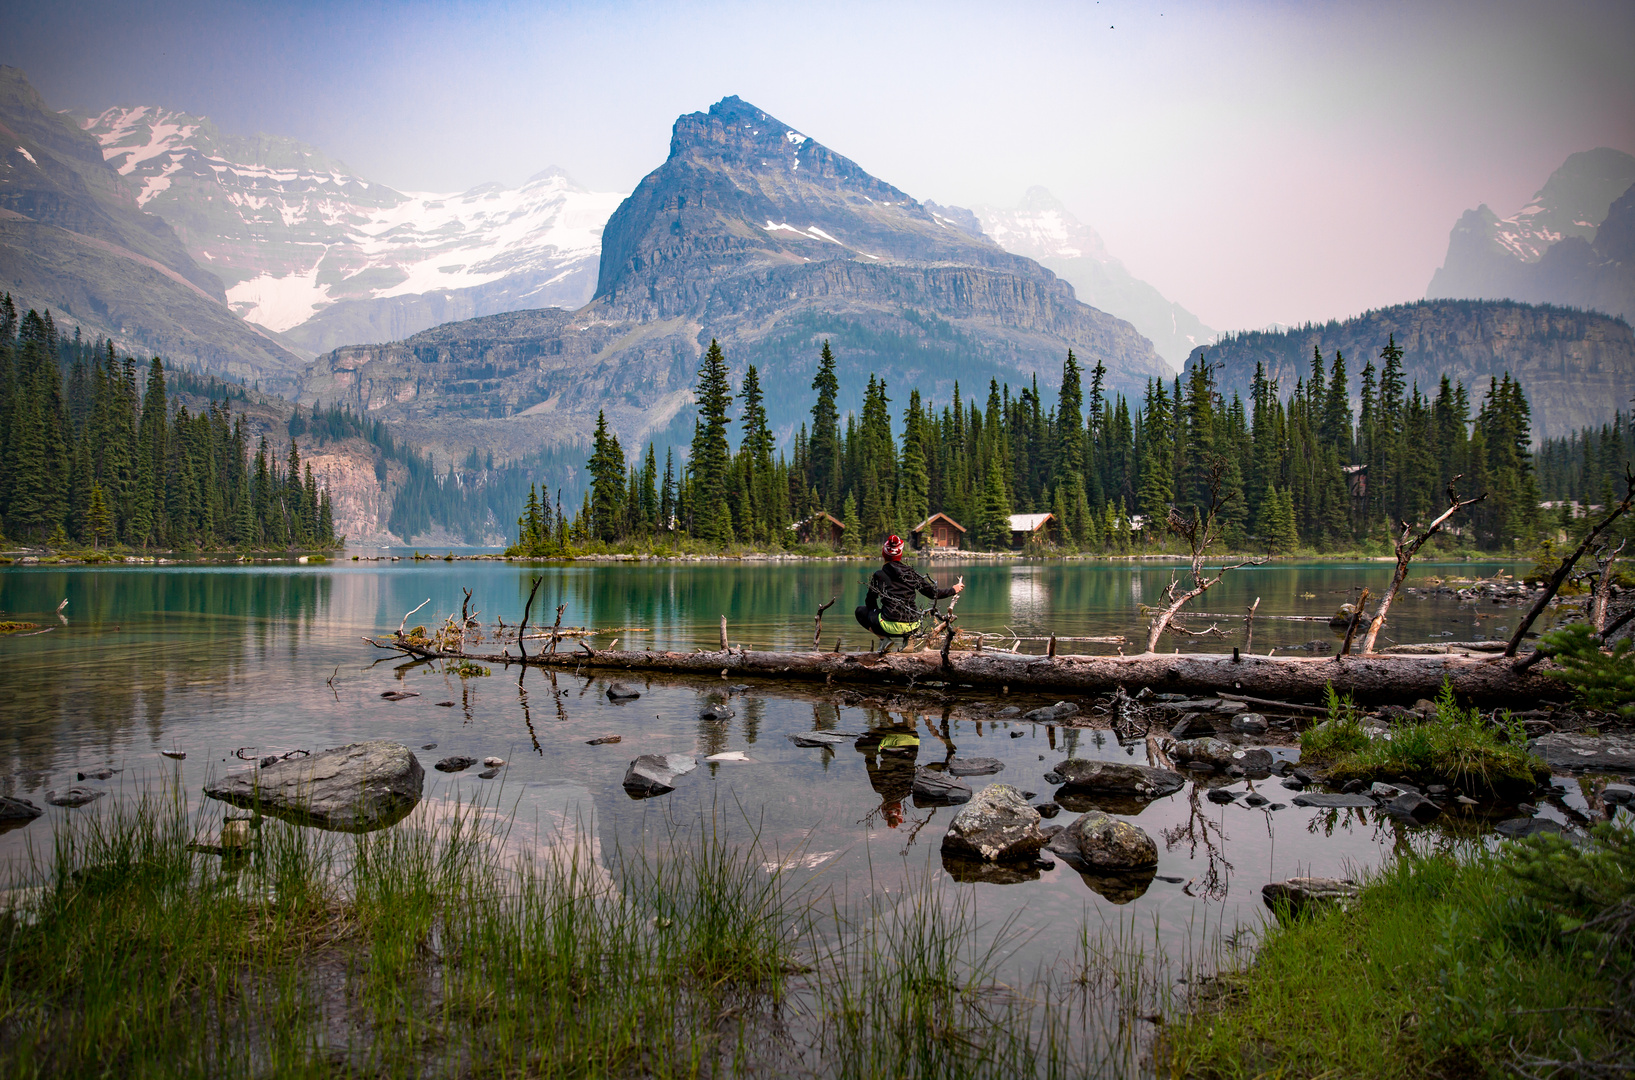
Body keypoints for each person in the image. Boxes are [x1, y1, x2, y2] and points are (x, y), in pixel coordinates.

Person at [854, 535, 963, 648]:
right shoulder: (910, 573)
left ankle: (884, 639)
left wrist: (877, 613)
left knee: (860, 611)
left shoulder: (879, 575)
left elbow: (870, 602)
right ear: (900, 555)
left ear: (884, 554)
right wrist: (953, 589)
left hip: (888, 626)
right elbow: (932, 593)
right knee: (910, 615)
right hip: (913, 625)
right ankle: (909, 639)